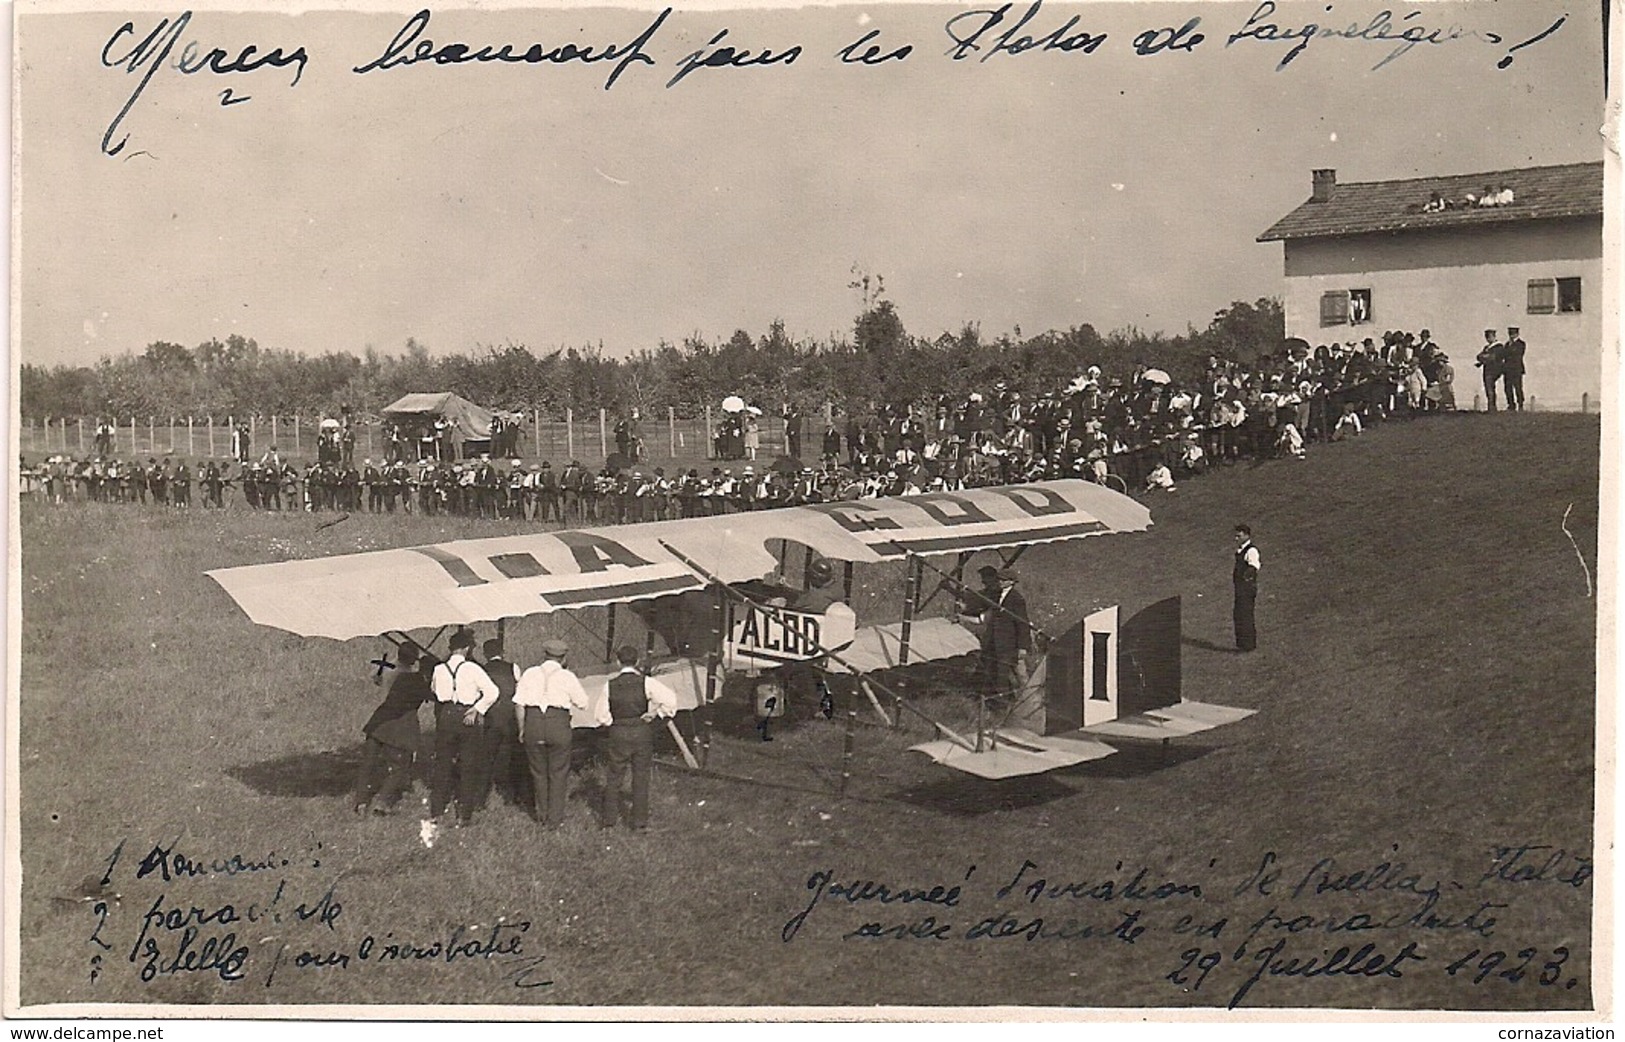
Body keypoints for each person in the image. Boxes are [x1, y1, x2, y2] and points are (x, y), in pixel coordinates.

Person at [597, 645, 678, 831]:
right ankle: (639, 823)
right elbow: (671, 700)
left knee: (615, 775)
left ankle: (608, 822)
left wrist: (614, 722)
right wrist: (655, 713)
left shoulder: (609, 685)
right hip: (641, 731)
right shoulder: (647, 682)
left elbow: (601, 717)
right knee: (641, 776)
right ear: (638, 661)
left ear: (618, 662)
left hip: (618, 731)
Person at [514, 639, 590, 829]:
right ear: (563, 658)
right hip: (558, 725)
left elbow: (519, 704)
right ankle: (554, 819)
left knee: (538, 772)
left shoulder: (530, 673)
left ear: (545, 655)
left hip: (533, 723)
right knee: (558, 772)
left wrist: (522, 728)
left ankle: (542, 815)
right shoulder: (567, 676)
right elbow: (583, 702)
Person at [429, 630, 499, 827]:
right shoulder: (472, 668)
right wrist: (477, 709)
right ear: (467, 648)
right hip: (467, 715)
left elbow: (435, 691)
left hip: (446, 715)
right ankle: (464, 814)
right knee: (468, 764)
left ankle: (436, 811)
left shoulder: (439, 669)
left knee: (442, 763)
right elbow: (493, 692)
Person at [355, 643, 433, 816]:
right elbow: (436, 696)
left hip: (378, 722)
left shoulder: (398, 674)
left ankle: (361, 801)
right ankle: (382, 803)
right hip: (398, 727)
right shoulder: (419, 682)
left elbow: (377, 677)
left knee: (368, 764)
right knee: (400, 767)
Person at [479, 638, 524, 811]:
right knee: (512, 758)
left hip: (490, 719)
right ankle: (513, 796)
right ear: (502, 652)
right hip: (509, 718)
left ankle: (480, 799)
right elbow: (519, 692)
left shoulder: (481, 670)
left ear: (485, 654)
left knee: (486, 759)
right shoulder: (513, 668)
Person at [976, 568, 1031, 701]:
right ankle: (997, 702)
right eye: (999, 579)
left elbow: (1022, 623)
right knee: (995, 673)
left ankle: (1019, 702)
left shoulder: (1016, 599)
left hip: (1008, 644)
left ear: (1011, 582)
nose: (999, 582)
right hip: (995, 642)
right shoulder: (997, 595)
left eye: (1003, 580)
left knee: (1006, 674)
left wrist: (1023, 647)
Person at [1233, 523, 1261, 652]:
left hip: (1246, 589)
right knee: (1239, 615)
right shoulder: (1241, 550)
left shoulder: (1251, 550)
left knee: (1245, 616)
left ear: (1246, 535)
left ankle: (1248, 645)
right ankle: (1243, 644)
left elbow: (1254, 566)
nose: (1236, 538)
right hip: (1240, 589)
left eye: (1239, 535)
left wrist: (1245, 578)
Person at [1476, 329, 1504, 412]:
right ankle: (1490, 406)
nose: (1488, 339)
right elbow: (1479, 356)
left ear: (1494, 337)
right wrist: (1485, 357)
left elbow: (1493, 357)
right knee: (1488, 388)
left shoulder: (1499, 347)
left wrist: (1484, 357)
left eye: (1489, 337)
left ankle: (1492, 407)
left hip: (1494, 370)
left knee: (1490, 388)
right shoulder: (1487, 347)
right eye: (1487, 337)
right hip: (1487, 369)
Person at [1503, 327, 1527, 412]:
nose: (1511, 336)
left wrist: (1508, 354)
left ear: (1517, 334)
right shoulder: (1507, 344)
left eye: (1513, 334)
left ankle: (1520, 404)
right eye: (1510, 334)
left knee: (1518, 388)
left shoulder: (1521, 344)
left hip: (1516, 369)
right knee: (1508, 388)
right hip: (1507, 370)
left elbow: (1517, 355)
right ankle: (1511, 405)